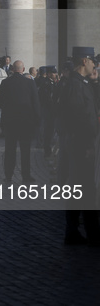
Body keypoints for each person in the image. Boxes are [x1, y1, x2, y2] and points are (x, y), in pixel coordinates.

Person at [60, 47, 100, 246]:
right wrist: (87, 145)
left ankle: (74, 230)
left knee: (80, 187)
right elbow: (78, 117)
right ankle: (89, 233)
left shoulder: (81, 83)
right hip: (81, 144)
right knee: (85, 189)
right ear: (84, 61)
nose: (94, 64)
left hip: (80, 142)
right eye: (92, 60)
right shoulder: (76, 85)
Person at [0, 60, 40, 184]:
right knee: (25, 150)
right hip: (26, 122)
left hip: (9, 122)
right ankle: (26, 176)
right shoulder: (30, 83)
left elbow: (0, 102)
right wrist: (37, 119)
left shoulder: (5, 83)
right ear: (23, 69)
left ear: (12, 69)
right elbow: (35, 103)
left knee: (10, 149)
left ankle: (8, 175)